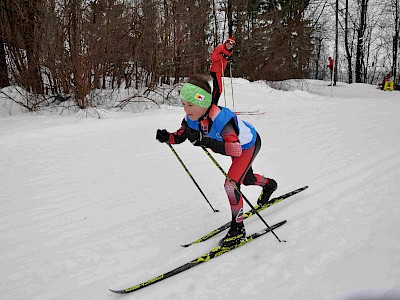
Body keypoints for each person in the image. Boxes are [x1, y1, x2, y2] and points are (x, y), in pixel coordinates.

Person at [156, 74, 277, 248]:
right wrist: (168, 137)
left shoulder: (222, 119)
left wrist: (203, 141)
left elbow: (234, 148)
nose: (186, 110)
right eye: (184, 104)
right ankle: (269, 184)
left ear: (203, 103)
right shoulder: (191, 118)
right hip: (237, 148)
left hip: (247, 145)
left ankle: (238, 229)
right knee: (247, 179)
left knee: (231, 185)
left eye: (190, 105)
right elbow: (182, 136)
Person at [209, 37, 236, 105]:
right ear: (226, 42)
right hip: (215, 70)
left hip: (220, 71)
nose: (229, 45)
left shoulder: (230, 51)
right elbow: (213, 57)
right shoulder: (220, 48)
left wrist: (230, 59)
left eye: (231, 44)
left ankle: (213, 105)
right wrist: (222, 56)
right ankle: (213, 105)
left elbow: (226, 58)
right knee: (218, 89)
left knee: (217, 88)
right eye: (228, 43)